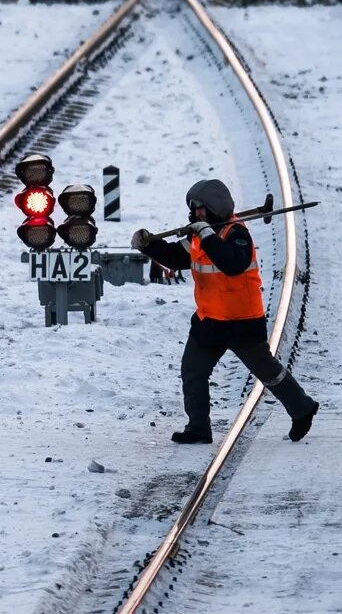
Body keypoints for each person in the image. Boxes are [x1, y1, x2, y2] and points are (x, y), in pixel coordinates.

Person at [131, 178, 319, 444]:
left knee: (268, 372)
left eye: (201, 209)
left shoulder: (236, 234)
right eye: (194, 209)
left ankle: (302, 408)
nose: (197, 214)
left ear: (215, 207)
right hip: (209, 321)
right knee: (193, 371)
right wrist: (148, 245)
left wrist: (206, 234)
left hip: (241, 322)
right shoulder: (198, 237)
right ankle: (198, 428)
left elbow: (232, 263)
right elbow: (175, 257)